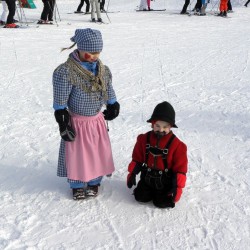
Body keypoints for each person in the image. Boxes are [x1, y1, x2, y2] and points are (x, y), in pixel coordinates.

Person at [53, 28, 120, 200]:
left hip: (96, 121)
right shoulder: (67, 72)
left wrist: (112, 103)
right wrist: (61, 116)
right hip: (77, 122)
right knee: (77, 154)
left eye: (97, 53)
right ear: (79, 48)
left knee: (96, 152)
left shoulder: (102, 70)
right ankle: (76, 184)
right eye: (90, 53)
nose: (94, 56)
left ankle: (94, 181)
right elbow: (60, 98)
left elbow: (107, 88)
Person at [127, 101, 188, 209]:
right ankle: (147, 190)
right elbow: (137, 158)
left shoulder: (177, 146)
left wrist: (178, 187)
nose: (161, 130)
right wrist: (132, 173)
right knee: (140, 197)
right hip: (147, 176)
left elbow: (180, 168)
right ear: (152, 124)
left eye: (165, 127)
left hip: (165, 180)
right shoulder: (144, 139)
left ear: (171, 126)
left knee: (161, 203)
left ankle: (162, 194)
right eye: (157, 126)